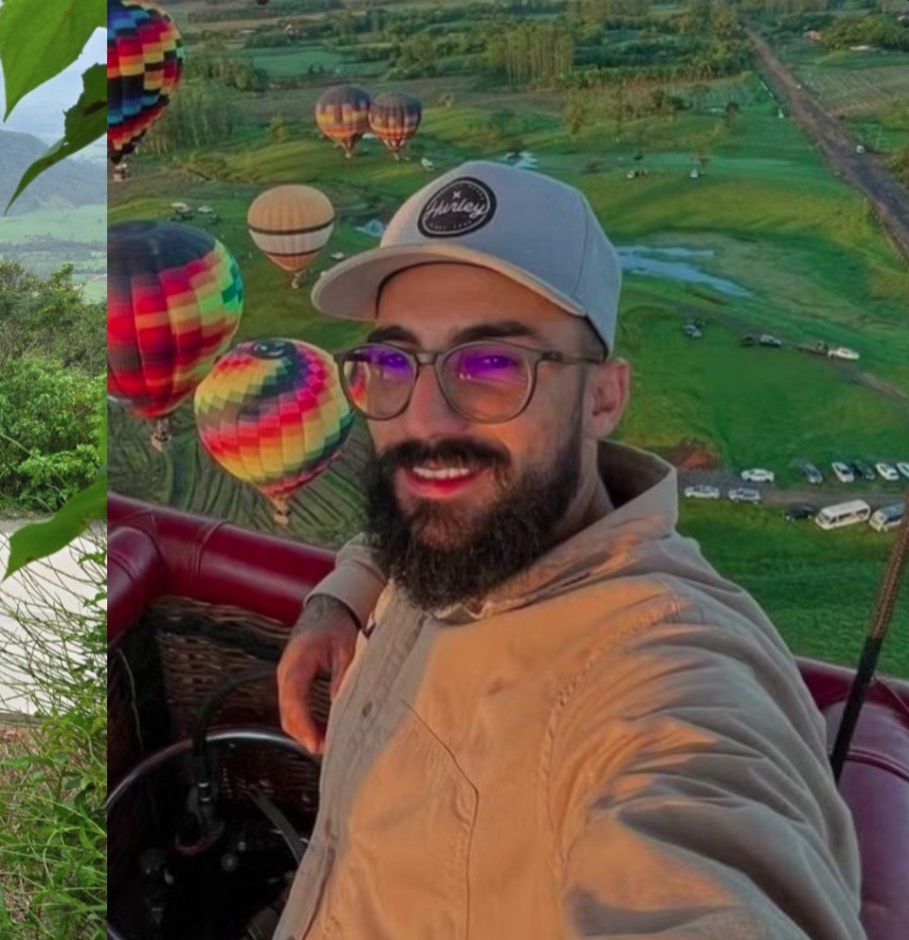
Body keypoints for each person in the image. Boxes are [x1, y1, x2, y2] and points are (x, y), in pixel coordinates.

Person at [270, 161, 865, 939]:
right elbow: (421, 502)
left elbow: (709, 839)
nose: (423, 417)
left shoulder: (669, 675)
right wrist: (338, 597)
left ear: (606, 397)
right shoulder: (473, 528)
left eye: (491, 366)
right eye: (391, 363)